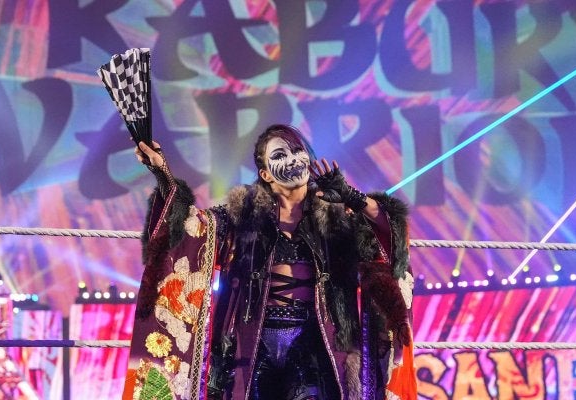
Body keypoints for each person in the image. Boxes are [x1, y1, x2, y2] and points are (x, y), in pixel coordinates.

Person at [122, 124, 416, 399]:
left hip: (315, 341)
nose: (292, 159)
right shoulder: (242, 213)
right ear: (265, 174)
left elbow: (388, 233)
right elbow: (191, 227)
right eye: (279, 155)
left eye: (297, 150)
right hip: (252, 341)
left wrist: (351, 196)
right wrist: (163, 173)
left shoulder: (336, 215)